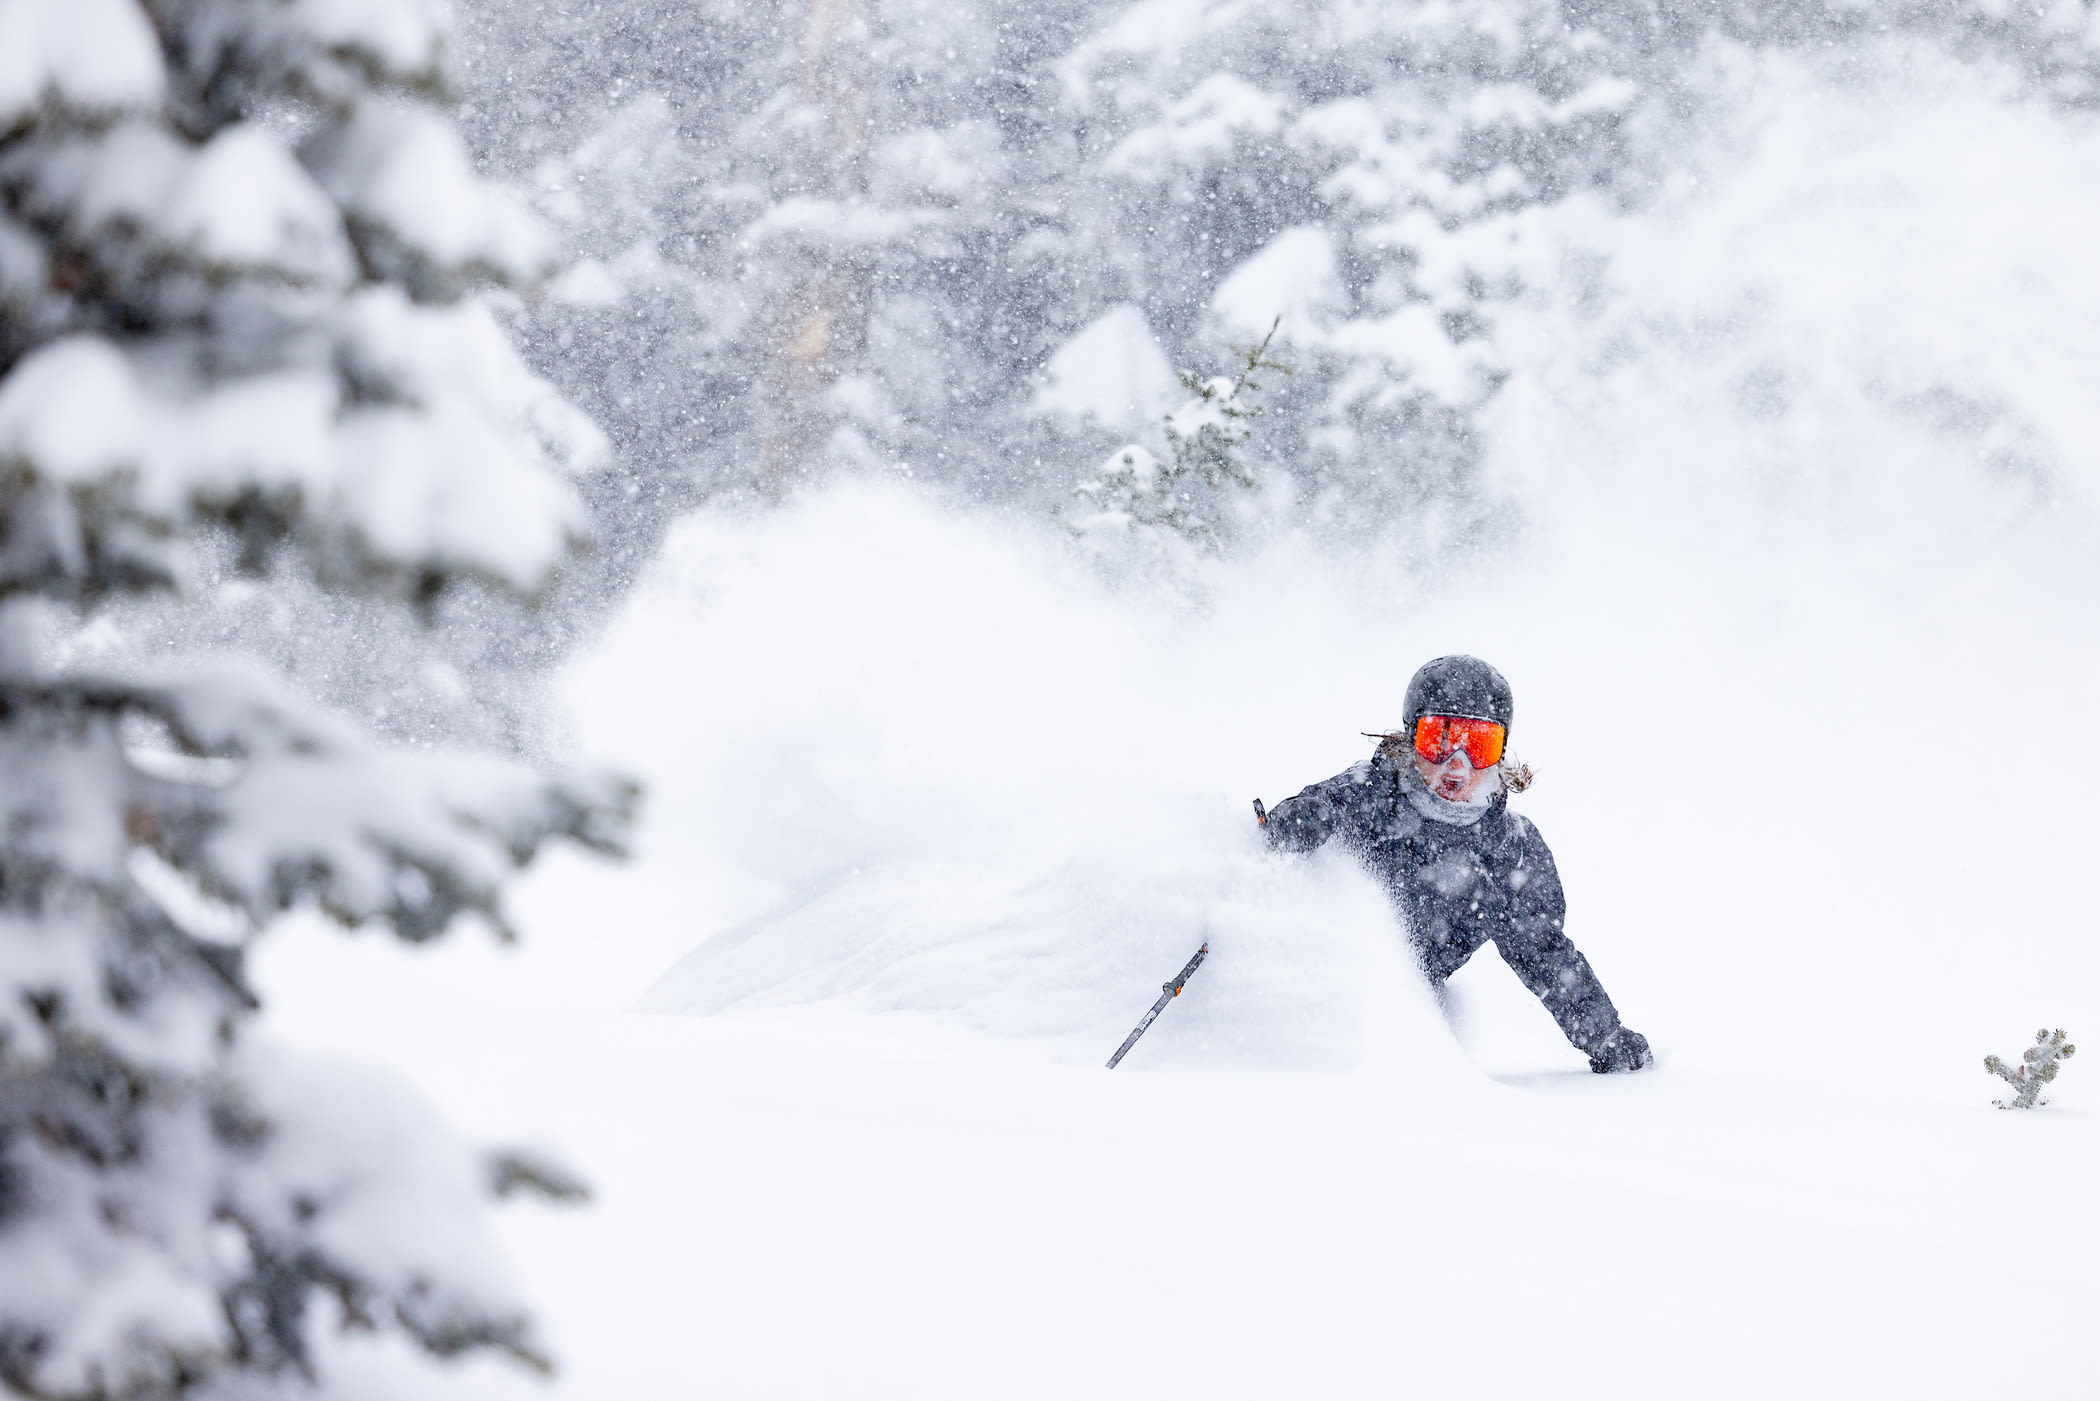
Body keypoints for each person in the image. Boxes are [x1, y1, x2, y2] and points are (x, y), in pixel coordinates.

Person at [1259, 655, 1651, 1073]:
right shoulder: (1371, 794)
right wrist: (1296, 823)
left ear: (1500, 754)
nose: (1458, 764)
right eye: (1440, 739)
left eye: (1479, 745)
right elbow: (1295, 824)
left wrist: (1605, 1036)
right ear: (1410, 739)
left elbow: (1544, 952)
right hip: (1321, 994)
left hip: (1403, 1022)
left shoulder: (1507, 851)